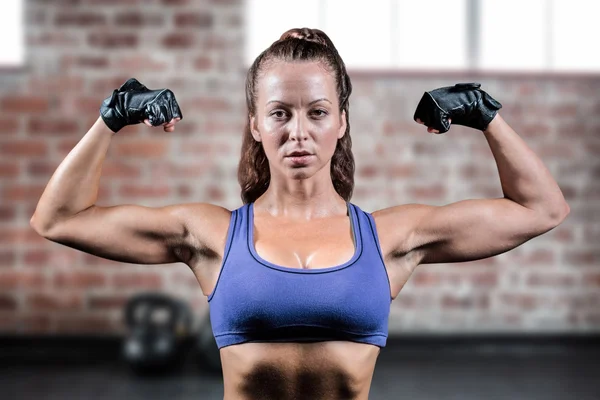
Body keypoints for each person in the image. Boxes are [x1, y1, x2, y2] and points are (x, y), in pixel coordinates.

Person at [30, 27, 569, 400]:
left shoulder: (390, 238)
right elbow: (58, 219)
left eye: (317, 113)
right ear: (255, 124)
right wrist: (112, 118)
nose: (298, 132)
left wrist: (485, 114)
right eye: (280, 114)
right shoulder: (214, 235)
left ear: (341, 122)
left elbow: (541, 209)